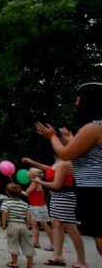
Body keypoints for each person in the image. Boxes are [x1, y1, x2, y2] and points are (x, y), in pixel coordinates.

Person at [36, 82, 102, 256]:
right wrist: (60, 137)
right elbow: (74, 149)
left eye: (78, 99)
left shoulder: (94, 127)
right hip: (92, 188)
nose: (76, 103)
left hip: (95, 188)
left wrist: (52, 137)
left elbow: (65, 154)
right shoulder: (95, 127)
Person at [30, 155, 90, 268]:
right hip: (55, 196)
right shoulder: (58, 162)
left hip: (64, 197)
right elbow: (49, 169)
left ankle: (82, 262)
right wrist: (31, 162)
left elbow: (56, 185)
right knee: (56, 224)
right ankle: (57, 256)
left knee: (70, 227)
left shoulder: (64, 163)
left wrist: (39, 181)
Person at [1, 183, 35, 268]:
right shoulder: (24, 203)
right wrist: (28, 223)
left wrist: (4, 224)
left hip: (12, 225)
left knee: (13, 243)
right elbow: (28, 214)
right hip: (23, 226)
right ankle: (30, 264)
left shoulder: (6, 203)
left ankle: (14, 262)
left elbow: (5, 213)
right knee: (27, 243)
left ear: (7, 192)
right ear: (20, 193)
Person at [20, 164, 54, 250]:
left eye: (29, 172)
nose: (27, 173)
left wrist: (18, 191)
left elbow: (27, 193)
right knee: (34, 224)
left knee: (44, 224)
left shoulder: (35, 182)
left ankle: (53, 244)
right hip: (34, 206)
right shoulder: (34, 182)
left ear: (32, 175)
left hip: (39, 207)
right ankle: (36, 243)